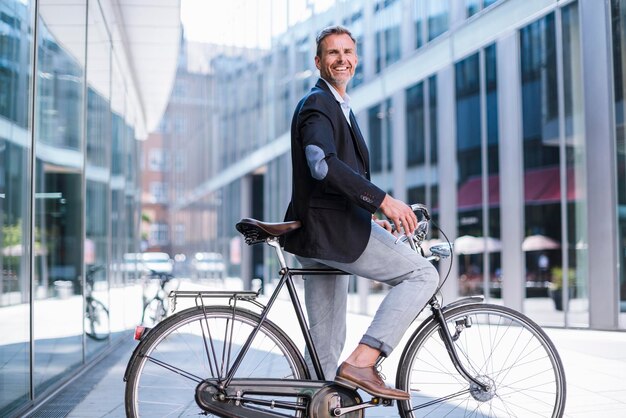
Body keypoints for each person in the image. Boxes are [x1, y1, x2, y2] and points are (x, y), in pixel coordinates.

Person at [283, 25, 439, 400]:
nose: (342, 59)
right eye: (333, 53)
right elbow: (322, 164)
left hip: (320, 234)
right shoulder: (319, 104)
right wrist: (382, 200)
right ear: (318, 62)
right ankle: (364, 361)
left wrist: (366, 213)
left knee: (322, 355)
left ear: (356, 59)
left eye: (348, 52)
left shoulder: (335, 106)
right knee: (422, 274)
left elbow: (331, 178)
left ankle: (318, 406)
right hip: (333, 234)